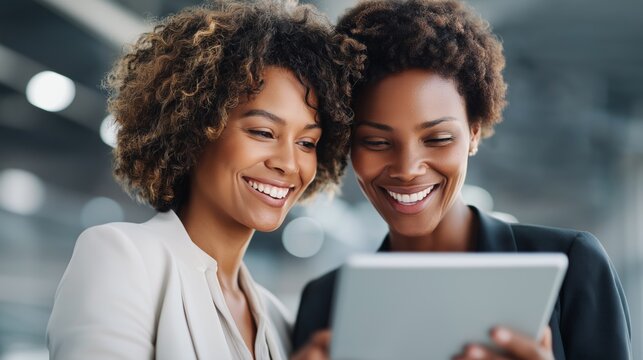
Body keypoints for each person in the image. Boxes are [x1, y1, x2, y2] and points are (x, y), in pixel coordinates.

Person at [292, 1, 632, 359]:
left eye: (438, 139)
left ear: (473, 133)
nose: (407, 168)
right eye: (376, 142)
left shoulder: (573, 266)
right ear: (349, 144)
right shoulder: (325, 302)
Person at [46, 1, 363, 359]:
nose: (289, 164)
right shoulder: (121, 258)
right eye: (262, 132)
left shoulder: (278, 319)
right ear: (196, 131)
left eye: (307, 142)